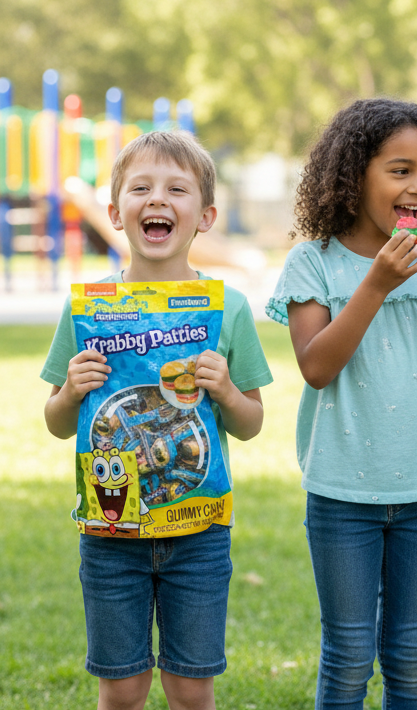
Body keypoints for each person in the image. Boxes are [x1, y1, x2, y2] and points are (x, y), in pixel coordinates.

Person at [266, 98, 417, 709]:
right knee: (347, 658)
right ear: (353, 175)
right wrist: (376, 283)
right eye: (400, 170)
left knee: (411, 658)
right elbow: (316, 367)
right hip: (342, 492)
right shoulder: (314, 261)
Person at [41, 130, 272, 710]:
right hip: (110, 530)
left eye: (177, 189)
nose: (158, 199)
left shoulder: (229, 307)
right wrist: (71, 391)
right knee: (121, 689)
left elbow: (250, 423)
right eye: (140, 188)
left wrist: (226, 391)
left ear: (206, 216)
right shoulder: (86, 308)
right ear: (114, 213)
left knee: (191, 689)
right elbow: (57, 422)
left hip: (198, 534)